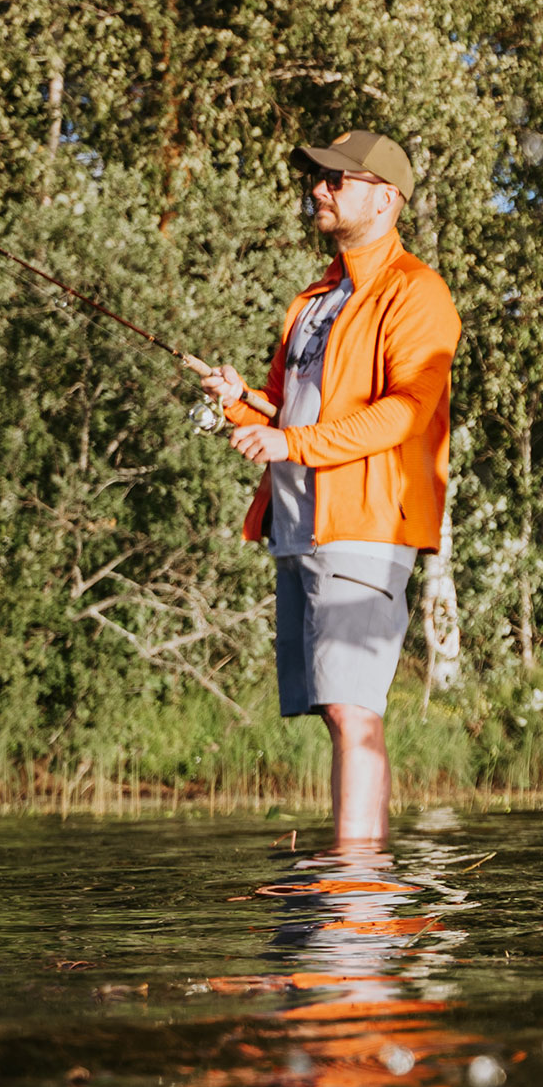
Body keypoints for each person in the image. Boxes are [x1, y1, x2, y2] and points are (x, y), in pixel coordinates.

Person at [200, 131, 461, 842]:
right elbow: (290, 407)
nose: (318, 189)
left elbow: (404, 413)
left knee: (353, 709)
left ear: (385, 198)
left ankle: (352, 884)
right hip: (299, 526)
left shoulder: (417, 292)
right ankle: (355, 879)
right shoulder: (314, 299)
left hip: (366, 524)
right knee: (335, 709)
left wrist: (291, 442)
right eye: (316, 178)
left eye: (334, 180)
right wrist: (239, 400)